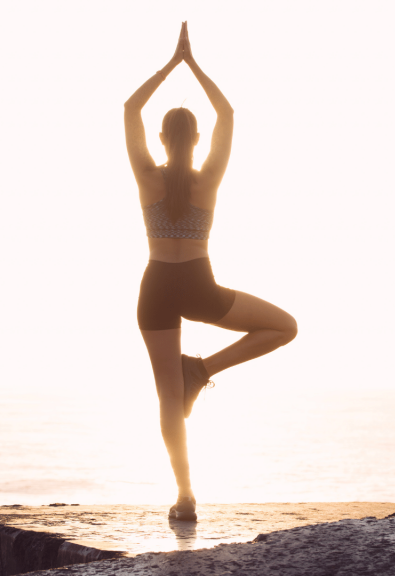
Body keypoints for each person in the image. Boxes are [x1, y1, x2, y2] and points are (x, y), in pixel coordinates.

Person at [124, 22, 298, 521]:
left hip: (156, 287)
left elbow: (129, 110)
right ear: (198, 139)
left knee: (168, 397)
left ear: (161, 138)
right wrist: (194, 64)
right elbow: (227, 112)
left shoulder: (147, 176)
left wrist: (169, 65)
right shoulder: (210, 178)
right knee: (284, 327)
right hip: (199, 285)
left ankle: (184, 496)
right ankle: (202, 369)